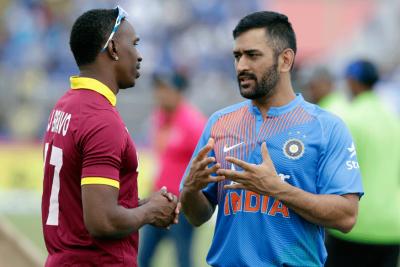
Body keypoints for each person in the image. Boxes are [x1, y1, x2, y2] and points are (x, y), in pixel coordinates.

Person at [179, 11, 363, 266]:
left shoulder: (326, 128)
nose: (242, 65)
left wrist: (275, 188)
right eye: (237, 56)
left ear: (285, 60)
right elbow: (198, 216)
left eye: (253, 55)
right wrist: (189, 190)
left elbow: (346, 217)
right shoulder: (219, 124)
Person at [41, 6, 179, 267]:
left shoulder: (65, 105)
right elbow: (102, 221)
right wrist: (150, 212)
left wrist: (141, 204)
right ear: (113, 48)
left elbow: (84, 202)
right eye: (134, 45)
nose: (139, 56)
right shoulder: (101, 119)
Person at [326, 60, 400, 267]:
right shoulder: (394, 120)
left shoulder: (349, 119)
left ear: (351, 81)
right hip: (392, 226)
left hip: (354, 226)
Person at [138, 71, 206, 267]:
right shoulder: (159, 117)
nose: (160, 94)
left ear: (179, 92)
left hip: (181, 205)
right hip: (158, 198)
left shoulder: (193, 122)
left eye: (165, 89)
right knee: (142, 258)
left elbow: (207, 162)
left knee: (183, 259)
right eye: (158, 89)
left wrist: (192, 198)